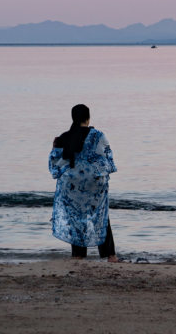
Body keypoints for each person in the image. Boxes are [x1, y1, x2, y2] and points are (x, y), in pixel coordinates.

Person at [48, 103, 118, 262]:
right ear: (88, 117)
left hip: (71, 184)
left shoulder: (64, 137)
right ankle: (110, 256)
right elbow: (107, 157)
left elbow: (55, 164)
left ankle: (79, 255)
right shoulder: (97, 135)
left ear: (73, 118)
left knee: (76, 217)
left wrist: (55, 146)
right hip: (93, 183)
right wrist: (101, 172)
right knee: (101, 215)